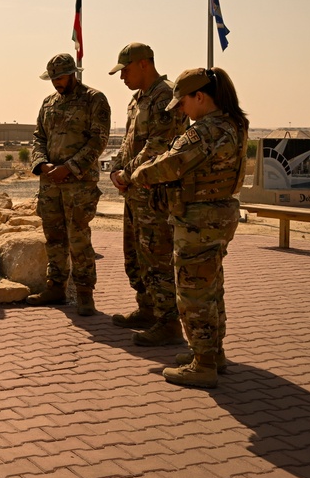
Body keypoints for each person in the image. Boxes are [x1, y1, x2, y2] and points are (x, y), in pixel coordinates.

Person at [132, 67, 248, 389]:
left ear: (200, 96)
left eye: (182, 102)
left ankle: (204, 364)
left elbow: (170, 164)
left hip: (199, 221)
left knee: (192, 293)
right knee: (211, 289)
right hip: (220, 216)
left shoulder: (206, 130)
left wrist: (137, 174)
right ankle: (213, 352)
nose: (180, 110)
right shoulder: (234, 123)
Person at [107, 43, 189, 346]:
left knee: (158, 258)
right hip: (136, 194)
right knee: (137, 255)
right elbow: (130, 142)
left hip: (157, 194)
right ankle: (148, 309)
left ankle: (168, 323)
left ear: (143, 64)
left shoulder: (166, 96)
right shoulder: (138, 99)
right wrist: (116, 168)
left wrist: (126, 174)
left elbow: (159, 146)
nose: (121, 77)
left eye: (125, 70)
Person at [27, 53, 111, 315]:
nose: (56, 83)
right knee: (54, 236)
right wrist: (43, 165)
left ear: (73, 74)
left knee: (78, 238)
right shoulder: (48, 102)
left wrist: (70, 168)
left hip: (79, 184)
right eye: (52, 79)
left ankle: (85, 293)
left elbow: (98, 141)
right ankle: (56, 287)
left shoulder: (94, 100)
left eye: (60, 78)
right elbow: (38, 137)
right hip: (50, 182)